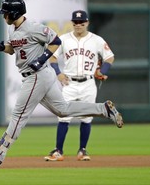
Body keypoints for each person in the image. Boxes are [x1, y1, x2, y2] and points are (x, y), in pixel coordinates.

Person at [0, 0, 123, 166]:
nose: (4, 16)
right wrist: (4, 47)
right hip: (37, 76)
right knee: (63, 110)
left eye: (6, 13)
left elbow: (55, 41)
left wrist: (42, 58)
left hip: (36, 75)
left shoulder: (33, 27)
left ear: (14, 13)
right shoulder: (12, 29)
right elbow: (14, 49)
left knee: (18, 114)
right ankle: (103, 109)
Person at [44, 10, 114, 162]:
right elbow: (53, 58)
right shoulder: (64, 39)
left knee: (87, 118)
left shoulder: (96, 40)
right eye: (75, 22)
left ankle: (82, 150)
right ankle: (58, 151)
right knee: (63, 117)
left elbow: (109, 57)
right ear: (72, 23)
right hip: (69, 83)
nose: (78, 25)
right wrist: (58, 73)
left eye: (82, 22)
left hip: (88, 83)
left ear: (87, 23)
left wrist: (103, 71)